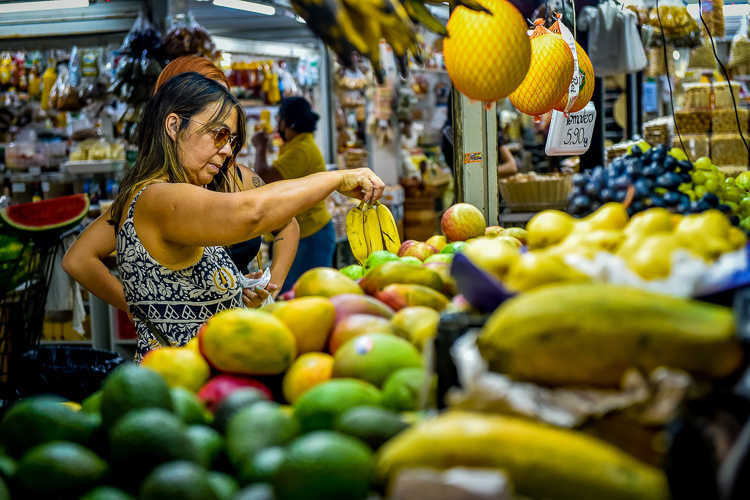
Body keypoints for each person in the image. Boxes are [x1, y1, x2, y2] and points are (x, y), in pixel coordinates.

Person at [71, 72, 383, 362]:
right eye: (219, 135)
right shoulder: (158, 197)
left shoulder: (178, 191)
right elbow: (250, 213)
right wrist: (336, 179)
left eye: (231, 140)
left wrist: (233, 286)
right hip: (182, 387)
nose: (227, 151)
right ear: (173, 126)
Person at [63, 56, 299, 316]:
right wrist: (141, 311)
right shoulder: (151, 197)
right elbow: (79, 260)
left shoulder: (239, 178)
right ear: (174, 118)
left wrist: (269, 287)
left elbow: (287, 222)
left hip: (240, 331)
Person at [251, 96, 335, 294]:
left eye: (279, 117)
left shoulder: (302, 149)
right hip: (306, 234)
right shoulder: (298, 145)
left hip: (309, 237)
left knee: (303, 295)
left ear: (287, 121)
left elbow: (263, 179)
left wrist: (261, 148)